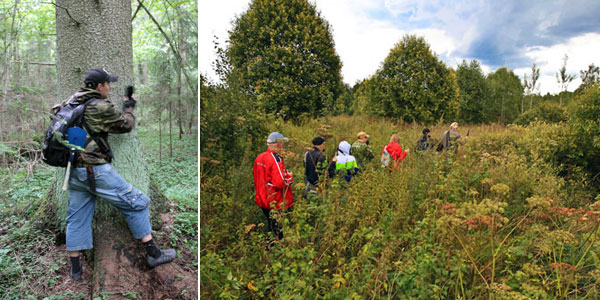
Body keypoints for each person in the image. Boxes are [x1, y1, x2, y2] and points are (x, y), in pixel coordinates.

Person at [65, 68, 176, 281]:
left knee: (77, 218)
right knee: (139, 202)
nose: (110, 87)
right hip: (96, 171)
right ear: (99, 86)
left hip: (73, 172)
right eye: (108, 84)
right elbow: (124, 125)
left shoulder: (70, 103)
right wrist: (130, 109)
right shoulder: (99, 106)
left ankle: (76, 271)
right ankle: (154, 254)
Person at [253, 132, 294, 241]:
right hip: (275, 201)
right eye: (282, 143)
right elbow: (280, 182)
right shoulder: (275, 159)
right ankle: (276, 251)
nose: (283, 146)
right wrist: (289, 178)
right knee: (278, 229)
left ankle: (269, 247)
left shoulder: (260, 157)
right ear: (279, 144)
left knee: (271, 225)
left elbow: (258, 177)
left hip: (262, 198)